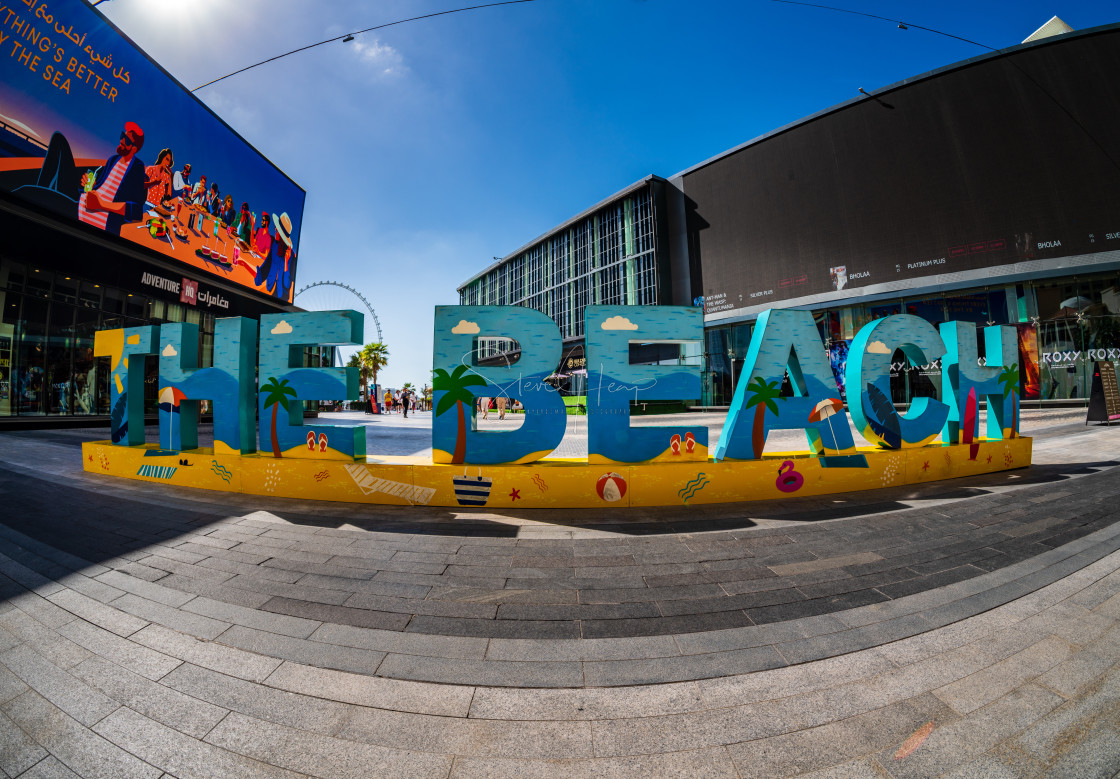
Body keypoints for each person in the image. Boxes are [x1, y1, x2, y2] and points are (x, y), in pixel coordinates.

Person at [75, 122, 147, 236]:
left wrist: (101, 205)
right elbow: (101, 186)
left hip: (104, 221)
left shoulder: (137, 167)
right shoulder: (113, 160)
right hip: (82, 206)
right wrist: (91, 185)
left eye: (127, 140)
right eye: (122, 136)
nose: (122, 141)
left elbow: (136, 210)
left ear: (134, 149)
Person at [144, 148, 174, 214]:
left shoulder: (166, 176)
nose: (168, 163)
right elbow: (142, 185)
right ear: (162, 157)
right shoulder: (151, 169)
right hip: (146, 205)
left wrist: (170, 177)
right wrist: (154, 182)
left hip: (157, 209)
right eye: (167, 159)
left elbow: (168, 197)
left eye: (169, 161)